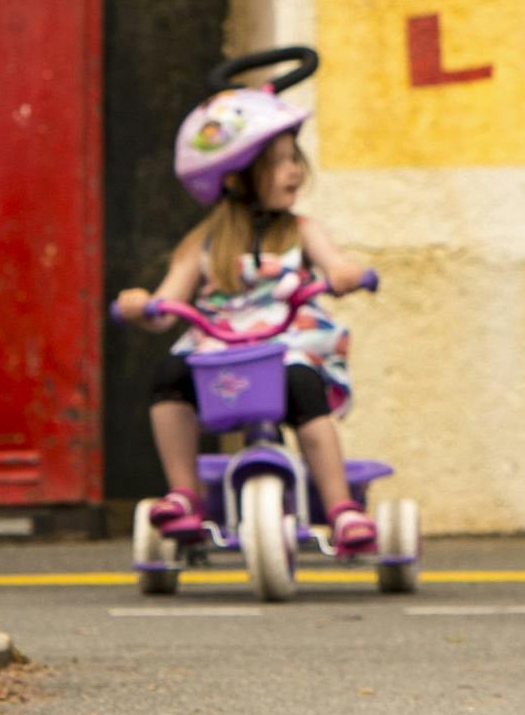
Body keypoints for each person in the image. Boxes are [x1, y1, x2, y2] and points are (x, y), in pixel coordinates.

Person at [116, 83, 378, 551]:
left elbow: (333, 262)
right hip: (219, 345)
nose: (294, 170)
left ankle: (340, 508)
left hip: (286, 341)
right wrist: (143, 305)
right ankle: (184, 492)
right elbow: (165, 305)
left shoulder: (301, 231)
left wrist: (343, 273)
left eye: (294, 158)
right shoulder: (205, 242)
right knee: (170, 374)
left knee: (304, 386)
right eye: (277, 162)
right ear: (236, 176)